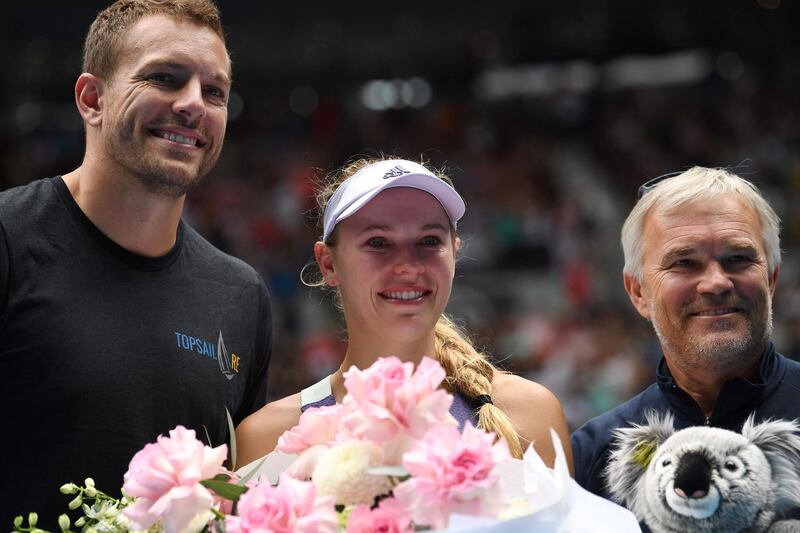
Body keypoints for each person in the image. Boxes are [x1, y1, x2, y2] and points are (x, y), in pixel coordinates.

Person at [0, 0, 272, 525]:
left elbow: (232, 502)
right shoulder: (10, 240)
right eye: (166, 78)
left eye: (214, 91)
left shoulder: (240, 296)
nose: (194, 104)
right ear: (92, 98)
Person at [235, 157, 572, 470]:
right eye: (378, 242)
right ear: (328, 263)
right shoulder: (267, 438)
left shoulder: (530, 416)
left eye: (428, 240)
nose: (409, 265)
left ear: (454, 254)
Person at [571, 167, 800, 513]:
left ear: (771, 278)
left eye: (738, 258)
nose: (717, 283)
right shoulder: (595, 455)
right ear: (638, 292)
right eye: (684, 262)